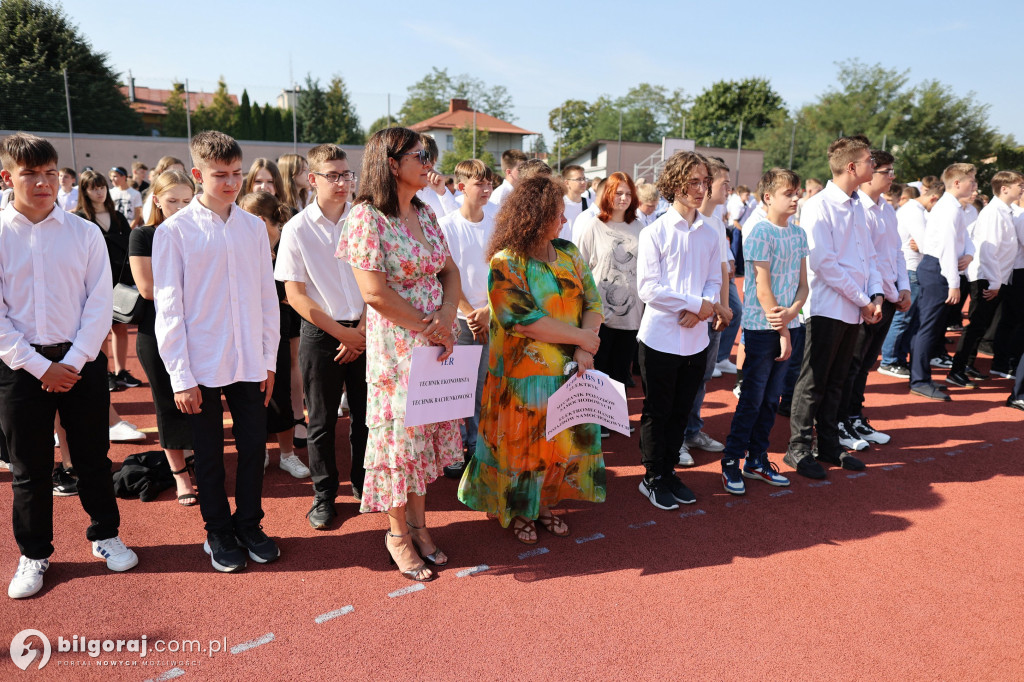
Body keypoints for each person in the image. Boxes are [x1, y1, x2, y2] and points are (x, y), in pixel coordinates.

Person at [1, 133, 138, 600]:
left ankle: (105, 534)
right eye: (29, 174)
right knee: (29, 466)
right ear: (7, 177)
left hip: (82, 363)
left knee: (93, 457)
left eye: (50, 173)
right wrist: (39, 366)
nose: (42, 183)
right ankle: (34, 552)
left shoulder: (84, 233)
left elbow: (99, 304)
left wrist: (74, 361)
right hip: (20, 366)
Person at [338, 127, 463, 582]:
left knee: (424, 437)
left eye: (429, 153)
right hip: (398, 349)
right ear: (392, 163)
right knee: (398, 443)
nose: (430, 161)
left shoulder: (426, 212)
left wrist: (446, 318)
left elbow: (449, 271)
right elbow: (373, 293)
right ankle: (396, 535)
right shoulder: (366, 217)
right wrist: (428, 327)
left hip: (435, 341)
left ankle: (420, 525)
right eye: (421, 154)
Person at [153, 131, 281, 573]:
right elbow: (168, 308)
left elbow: (268, 298)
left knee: (251, 449)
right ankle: (217, 531)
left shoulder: (251, 227)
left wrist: (269, 361)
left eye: (236, 174)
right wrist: (180, 376)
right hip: (201, 365)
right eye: (219, 175)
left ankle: (249, 523)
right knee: (208, 456)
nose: (231, 183)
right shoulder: (174, 232)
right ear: (197, 174)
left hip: (249, 361)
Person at [458, 174, 605, 543]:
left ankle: (542, 505)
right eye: (557, 214)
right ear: (536, 217)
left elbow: (593, 303)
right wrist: (583, 339)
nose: (565, 221)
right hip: (520, 381)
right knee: (520, 450)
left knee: (556, 447)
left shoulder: (569, 253)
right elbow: (522, 321)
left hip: (570, 372)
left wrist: (585, 349)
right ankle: (519, 509)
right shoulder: (506, 263)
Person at [275, 144, 368, 530]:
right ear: (312, 180)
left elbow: (383, 281)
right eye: (333, 175)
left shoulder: (366, 219)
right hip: (320, 333)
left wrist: (359, 332)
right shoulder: (297, 228)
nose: (343, 182)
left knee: (367, 418)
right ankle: (325, 495)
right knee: (322, 421)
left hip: (366, 328)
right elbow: (293, 295)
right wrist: (343, 334)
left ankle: (366, 486)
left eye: (347, 174)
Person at [782, 136, 881, 480]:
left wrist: (875, 295)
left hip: (854, 307)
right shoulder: (819, 205)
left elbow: (867, 256)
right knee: (813, 382)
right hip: (826, 307)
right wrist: (864, 299)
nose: (874, 165)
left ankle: (827, 444)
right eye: (869, 160)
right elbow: (824, 263)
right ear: (852, 166)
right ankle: (797, 448)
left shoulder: (858, 205)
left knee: (838, 380)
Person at [636, 152, 722, 510]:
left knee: (682, 409)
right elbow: (648, 288)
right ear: (674, 186)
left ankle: (669, 471)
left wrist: (703, 308)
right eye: (694, 182)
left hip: (696, 337)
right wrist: (693, 305)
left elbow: (715, 280)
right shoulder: (654, 231)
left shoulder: (710, 232)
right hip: (659, 338)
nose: (702, 189)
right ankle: (652, 477)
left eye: (705, 182)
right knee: (658, 410)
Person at [720, 168, 808, 494]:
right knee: (752, 400)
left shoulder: (799, 234)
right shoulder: (758, 232)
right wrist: (784, 329)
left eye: (797, 192)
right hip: (762, 331)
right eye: (789, 193)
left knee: (772, 399)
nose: (796, 198)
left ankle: (756, 460)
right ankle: (731, 461)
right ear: (768, 197)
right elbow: (762, 286)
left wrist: (794, 313)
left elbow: (803, 285)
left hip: (790, 325)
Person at [128, 170, 197, 506]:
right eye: (172, 201)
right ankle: (180, 475)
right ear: (156, 200)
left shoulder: (199, 232)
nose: (180, 207)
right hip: (155, 332)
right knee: (168, 403)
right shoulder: (144, 235)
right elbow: (147, 288)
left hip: (199, 330)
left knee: (202, 400)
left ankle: (200, 459)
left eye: (186, 200)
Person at [837, 150, 911, 451]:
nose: (892, 177)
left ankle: (854, 416)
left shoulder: (888, 210)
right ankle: (840, 421)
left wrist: (903, 287)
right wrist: (887, 294)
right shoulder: (859, 210)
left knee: (865, 364)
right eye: (886, 170)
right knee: (850, 365)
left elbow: (896, 253)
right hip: (868, 299)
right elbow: (867, 261)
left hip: (888, 296)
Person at [238, 191, 309, 480]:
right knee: (247, 392)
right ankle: (261, 451)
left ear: (258, 219)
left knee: (278, 390)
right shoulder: (242, 243)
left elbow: (288, 292)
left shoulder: (284, 242)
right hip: (244, 327)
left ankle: (288, 454)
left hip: (277, 327)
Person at [438, 159, 495, 479]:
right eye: (479, 183)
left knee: (480, 386)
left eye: (489, 183)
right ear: (461, 187)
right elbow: (445, 274)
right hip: (457, 319)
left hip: (490, 316)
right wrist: (471, 313)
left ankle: (473, 443)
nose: (486, 189)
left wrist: (487, 310)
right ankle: (450, 448)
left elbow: (503, 270)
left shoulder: (497, 222)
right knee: (453, 386)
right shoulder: (446, 225)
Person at [679, 158, 735, 461]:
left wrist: (721, 308)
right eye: (722, 182)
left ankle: (691, 430)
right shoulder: (682, 220)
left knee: (701, 377)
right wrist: (704, 307)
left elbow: (721, 272)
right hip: (684, 316)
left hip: (708, 313)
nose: (727, 188)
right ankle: (676, 439)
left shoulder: (716, 222)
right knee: (678, 381)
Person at [948, 171, 1023, 384]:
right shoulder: (993, 213)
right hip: (986, 278)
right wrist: (996, 282)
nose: (1022, 189)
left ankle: (968, 365)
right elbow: (988, 251)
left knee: (982, 326)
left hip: (996, 277)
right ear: (1004, 188)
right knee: (975, 326)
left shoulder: (1006, 211)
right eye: (1019, 184)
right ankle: (956, 370)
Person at [75, 170, 146, 397]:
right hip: (92, 281)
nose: (99, 191)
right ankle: (105, 373)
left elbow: (129, 247)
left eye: (102, 187)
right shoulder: (79, 217)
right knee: (101, 329)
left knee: (120, 326)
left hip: (118, 280)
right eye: (93, 188)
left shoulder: (117, 216)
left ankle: (121, 371)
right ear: (84, 191)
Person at [910, 163, 977, 401]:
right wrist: (954, 283)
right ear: (957, 183)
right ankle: (918, 380)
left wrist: (969, 254)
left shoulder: (954, 208)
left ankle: (923, 377)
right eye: (971, 180)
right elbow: (948, 249)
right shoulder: (949, 209)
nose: (975, 185)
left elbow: (965, 239)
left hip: (941, 269)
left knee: (934, 327)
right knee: (928, 328)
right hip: (937, 269)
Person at [576, 171, 643, 399]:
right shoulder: (593, 226)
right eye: (618, 193)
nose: (623, 198)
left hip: (631, 314)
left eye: (627, 194)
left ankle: (615, 419)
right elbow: (579, 267)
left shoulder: (640, 228)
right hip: (598, 314)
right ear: (608, 195)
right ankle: (596, 423)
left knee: (621, 370)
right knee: (598, 368)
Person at [879, 182, 944, 377]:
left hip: (913, 268)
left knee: (909, 318)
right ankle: (889, 361)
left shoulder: (917, 210)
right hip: (909, 268)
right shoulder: (914, 211)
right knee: (902, 318)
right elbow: (926, 244)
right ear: (934, 198)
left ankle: (897, 358)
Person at [276, 153, 312, 442]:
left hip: (305, 293)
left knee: (297, 360)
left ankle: (299, 415)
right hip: (287, 293)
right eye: (303, 170)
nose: (308, 174)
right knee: (286, 360)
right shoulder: (286, 210)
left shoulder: (308, 200)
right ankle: (290, 419)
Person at [415, 135, 459, 219]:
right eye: (424, 163)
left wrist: (443, 192)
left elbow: (456, 221)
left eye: (432, 164)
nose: (428, 168)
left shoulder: (440, 191)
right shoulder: (402, 191)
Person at [141, 156, 186, 224]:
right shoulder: (155, 196)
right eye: (172, 172)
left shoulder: (186, 194)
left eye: (181, 173)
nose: (178, 176)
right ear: (161, 172)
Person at [561, 164, 589, 233]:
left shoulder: (589, 203)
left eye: (584, 178)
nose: (583, 182)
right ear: (567, 183)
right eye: (579, 179)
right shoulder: (560, 205)